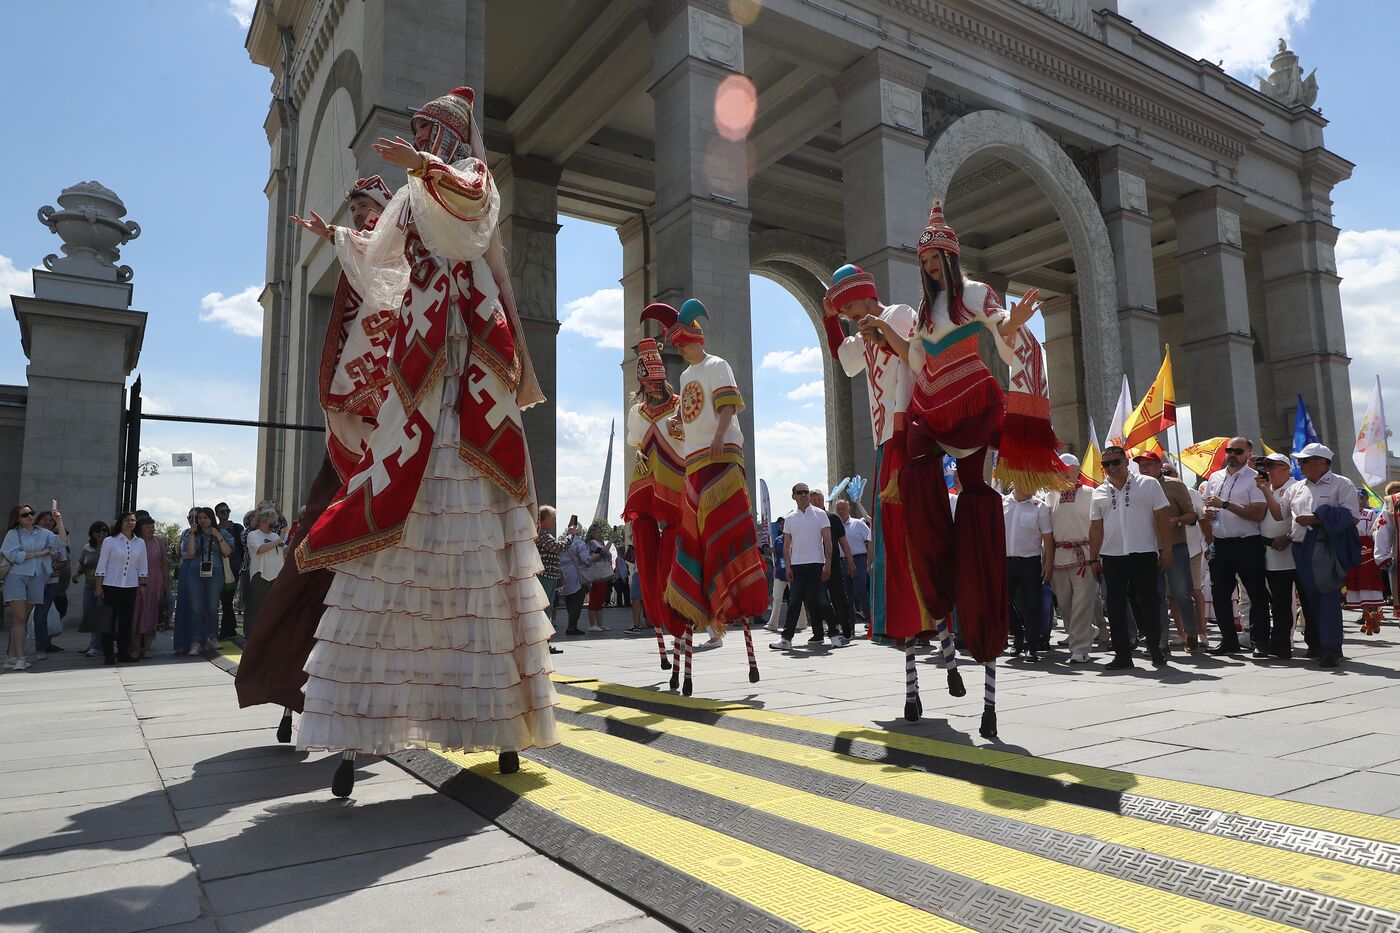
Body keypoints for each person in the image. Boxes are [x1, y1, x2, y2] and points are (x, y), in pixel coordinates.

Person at [290, 85, 558, 788]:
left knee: (474, 526)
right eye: (421, 133)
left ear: (452, 137)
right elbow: (383, 262)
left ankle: (497, 723)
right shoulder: (411, 195)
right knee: (401, 513)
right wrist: (334, 238)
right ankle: (357, 730)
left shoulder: (470, 183)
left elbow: (468, 218)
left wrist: (424, 170)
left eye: (433, 133)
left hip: (470, 361)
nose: (424, 141)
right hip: (418, 368)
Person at [859, 201, 1065, 737]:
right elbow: (915, 357)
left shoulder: (974, 294)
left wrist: (1012, 324)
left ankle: (979, 624)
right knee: (916, 488)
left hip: (972, 409)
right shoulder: (926, 314)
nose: (928, 267)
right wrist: (885, 331)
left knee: (976, 507)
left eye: (934, 258)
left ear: (950, 256)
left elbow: (1000, 326)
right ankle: (938, 586)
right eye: (922, 260)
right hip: (930, 411)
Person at [236, 176, 395, 738]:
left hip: (390, 442)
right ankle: (289, 692)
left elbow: (385, 263)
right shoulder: (361, 273)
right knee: (316, 557)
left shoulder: (396, 266)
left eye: (370, 207)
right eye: (355, 208)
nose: (360, 217)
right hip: (351, 444)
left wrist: (338, 235)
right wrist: (335, 235)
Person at [644, 298, 768, 680]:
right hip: (694, 463)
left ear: (697, 337)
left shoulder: (718, 365)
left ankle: (737, 601)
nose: (679, 350)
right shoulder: (683, 378)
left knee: (725, 537)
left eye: (682, 343)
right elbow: (688, 413)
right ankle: (702, 609)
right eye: (676, 345)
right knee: (696, 542)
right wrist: (679, 428)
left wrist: (716, 436)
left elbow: (728, 407)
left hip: (722, 456)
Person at [819, 265, 919, 648]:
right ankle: (893, 619)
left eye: (847, 309)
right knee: (888, 532)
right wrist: (831, 322)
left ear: (864, 295)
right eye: (843, 314)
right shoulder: (861, 335)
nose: (846, 317)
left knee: (908, 529)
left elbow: (914, 356)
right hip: (884, 439)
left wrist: (877, 329)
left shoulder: (898, 313)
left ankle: (920, 616)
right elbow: (844, 361)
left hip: (907, 428)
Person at [621, 335, 686, 652]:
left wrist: (682, 428)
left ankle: (678, 609)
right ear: (642, 385)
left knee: (678, 536)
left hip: (677, 476)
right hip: (647, 476)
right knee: (644, 535)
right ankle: (656, 611)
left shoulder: (681, 405)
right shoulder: (636, 412)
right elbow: (636, 441)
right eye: (650, 384)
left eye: (659, 382)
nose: (655, 388)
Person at [1089, 446, 1172, 670]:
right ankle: (1122, 655)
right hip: (1112, 555)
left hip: (1143, 551)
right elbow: (1096, 528)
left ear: (1126, 462)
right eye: (1106, 464)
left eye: (1116, 462)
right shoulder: (1098, 492)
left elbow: (1162, 517)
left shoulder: (1148, 484)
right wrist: (1093, 559)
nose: (1111, 468)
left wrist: (1166, 549)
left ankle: (1155, 649)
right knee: (1114, 607)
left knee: (1149, 603)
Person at [1283, 443, 1360, 667]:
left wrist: (1316, 518)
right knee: (1310, 599)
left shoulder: (1342, 484)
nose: (1301, 464)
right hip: (1299, 546)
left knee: (1326, 597)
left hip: (1323, 545)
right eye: (1300, 460)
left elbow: (1351, 518)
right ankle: (1319, 644)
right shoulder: (1297, 487)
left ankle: (1331, 648)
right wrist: (1264, 490)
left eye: (1305, 460)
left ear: (1322, 462)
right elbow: (1280, 513)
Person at [1200, 437, 1270, 655]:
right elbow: (1206, 506)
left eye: (1238, 451)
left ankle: (1259, 642)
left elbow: (1258, 512)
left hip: (1247, 543)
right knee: (1219, 595)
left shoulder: (1255, 479)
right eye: (1229, 450)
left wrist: (1226, 505)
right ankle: (1228, 640)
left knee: (1256, 595)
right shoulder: (1215, 476)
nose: (1232, 454)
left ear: (1248, 454)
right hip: (1220, 544)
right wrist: (1207, 512)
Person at [1133, 450, 1198, 655]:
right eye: (1141, 466)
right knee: (1154, 597)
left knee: (1182, 594)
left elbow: (1192, 515)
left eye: (1148, 465)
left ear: (1159, 465)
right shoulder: (1135, 488)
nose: (1144, 469)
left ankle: (1191, 634)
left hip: (1176, 546)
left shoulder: (1175, 485)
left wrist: (1177, 520)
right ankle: (1161, 641)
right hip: (1148, 549)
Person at [771, 483, 837, 650]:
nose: (804, 495)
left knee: (823, 600)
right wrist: (787, 567)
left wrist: (827, 564)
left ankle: (835, 635)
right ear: (793, 496)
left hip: (817, 564)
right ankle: (786, 639)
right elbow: (787, 546)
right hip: (797, 566)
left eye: (806, 492)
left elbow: (828, 543)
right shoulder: (790, 518)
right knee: (794, 603)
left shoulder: (821, 514)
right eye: (800, 492)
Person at [1047, 454, 1100, 664]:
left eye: (1067, 468)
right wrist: (1047, 560)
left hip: (1084, 556)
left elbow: (1098, 527)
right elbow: (1047, 531)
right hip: (1059, 556)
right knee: (1065, 603)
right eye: (1059, 468)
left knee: (1081, 603)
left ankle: (1079, 648)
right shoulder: (1051, 495)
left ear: (1077, 469)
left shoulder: (1091, 494)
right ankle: (1089, 630)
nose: (1063, 471)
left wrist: (1097, 557)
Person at [3, 504, 66, 670]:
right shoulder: (13, 533)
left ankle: (11, 656)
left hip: (37, 577)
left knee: (21, 620)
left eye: (31, 513)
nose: (30, 516)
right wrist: (40, 553)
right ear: (17, 519)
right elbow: (12, 555)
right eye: (25, 515)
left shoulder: (44, 533)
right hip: (16, 577)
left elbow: (61, 543)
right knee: (20, 618)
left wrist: (59, 521)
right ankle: (21, 658)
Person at [1003, 483, 1053, 661]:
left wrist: (1048, 563)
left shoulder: (1040, 506)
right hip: (1006, 561)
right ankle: (1018, 634)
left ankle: (1030, 646)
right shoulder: (1003, 503)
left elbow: (1048, 537)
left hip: (1030, 562)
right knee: (1003, 603)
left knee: (1032, 604)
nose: (1030, 488)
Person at [177, 508, 233, 656]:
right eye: (199, 518)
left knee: (212, 606)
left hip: (216, 571)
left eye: (205, 517)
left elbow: (227, 552)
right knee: (196, 608)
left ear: (211, 518)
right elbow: (190, 553)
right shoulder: (192, 533)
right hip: (195, 571)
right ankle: (195, 642)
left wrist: (218, 536)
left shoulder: (221, 532)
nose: (202, 520)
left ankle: (212, 638)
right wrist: (192, 535)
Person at [94, 512, 148, 665]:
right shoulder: (110, 541)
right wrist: (99, 586)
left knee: (126, 622)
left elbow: (142, 566)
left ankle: (124, 653)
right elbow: (102, 564)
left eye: (132, 520)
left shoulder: (140, 543)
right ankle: (108, 655)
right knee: (108, 622)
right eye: (127, 520)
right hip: (111, 585)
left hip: (130, 586)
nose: (130, 522)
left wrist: (143, 585)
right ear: (120, 522)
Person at [809, 489, 855, 645]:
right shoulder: (805, 519)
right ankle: (818, 633)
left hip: (833, 564)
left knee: (839, 597)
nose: (816, 502)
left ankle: (846, 628)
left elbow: (843, 541)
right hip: (813, 565)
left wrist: (850, 561)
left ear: (823, 501)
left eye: (819, 500)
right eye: (813, 500)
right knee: (814, 599)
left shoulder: (833, 518)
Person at [29, 510, 70, 659]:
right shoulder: (31, 538)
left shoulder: (57, 539)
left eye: (50, 521)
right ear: (37, 521)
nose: (47, 522)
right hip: (33, 580)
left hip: (51, 581)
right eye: (44, 520)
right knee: (22, 617)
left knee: (41, 614)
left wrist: (51, 567)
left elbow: (63, 561)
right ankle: (15, 649)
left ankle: (41, 648)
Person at [1345, 491, 1387, 631]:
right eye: (1355, 498)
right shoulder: (1346, 514)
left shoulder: (1370, 514)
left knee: (1369, 580)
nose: (1358, 500)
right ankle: (1365, 615)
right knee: (1357, 582)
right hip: (1351, 547)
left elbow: (1375, 531)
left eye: (1360, 498)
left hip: (1366, 548)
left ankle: (1374, 617)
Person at [243, 507, 285, 638]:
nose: (273, 527)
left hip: (276, 576)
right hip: (261, 576)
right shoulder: (253, 535)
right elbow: (261, 549)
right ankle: (252, 637)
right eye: (271, 524)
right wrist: (278, 540)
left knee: (274, 608)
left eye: (275, 524)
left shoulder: (275, 535)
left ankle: (270, 636)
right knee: (257, 608)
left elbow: (283, 552)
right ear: (262, 521)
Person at [131, 516, 167, 659]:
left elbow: (164, 562)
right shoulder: (134, 542)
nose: (151, 529)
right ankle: (134, 647)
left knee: (151, 613)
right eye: (148, 527)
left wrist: (166, 582)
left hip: (155, 579)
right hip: (136, 579)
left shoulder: (159, 542)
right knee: (136, 613)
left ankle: (147, 647)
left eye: (152, 526)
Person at [72, 521, 110, 658]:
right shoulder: (87, 547)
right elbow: (82, 563)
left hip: (104, 586)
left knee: (99, 615)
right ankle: (94, 644)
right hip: (89, 585)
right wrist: (76, 574)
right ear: (92, 533)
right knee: (88, 614)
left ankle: (95, 646)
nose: (101, 533)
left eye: (104, 531)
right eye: (98, 531)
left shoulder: (110, 546)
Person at [834, 499, 871, 624]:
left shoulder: (858, 524)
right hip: (841, 562)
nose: (841, 511)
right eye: (838, 509)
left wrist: (869, 561)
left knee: (859, 590)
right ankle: (850, 625)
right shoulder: (833, 526)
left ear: (849, 509)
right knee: (846, 595)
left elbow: (869, 541)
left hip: (859, 560)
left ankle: (870, 619)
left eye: (843, 509)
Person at [534, 506, 565, 654]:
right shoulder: (543, 534)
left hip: (549, 577)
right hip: (545, 577)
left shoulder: (543, 534)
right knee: (545, 611)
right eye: (553, 519)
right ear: (546, 519)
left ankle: (544, 643)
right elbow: (558, 547)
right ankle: (542, 644)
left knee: (548, 611)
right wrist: (570, 536)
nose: (554, 522)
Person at [214, 503, 245, 641]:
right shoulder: (215, 529)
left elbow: (242, 546)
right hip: (220, 567)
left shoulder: (237, 528)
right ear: (217, 514)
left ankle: (226, 630)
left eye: (227, 510)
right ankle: (229, 628)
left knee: (227, 599)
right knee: (224, 599)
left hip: (234, 567)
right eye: (222, 511)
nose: (225, 513)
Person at [558, 519, 591, 637]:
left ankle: (572, 625)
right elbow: (586, 559)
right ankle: (572, 627)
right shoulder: (579, 543)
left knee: (569, 601)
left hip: (565, 575)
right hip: (577, 575)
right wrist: (596, 557)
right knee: (577, 602)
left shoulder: (562, 541)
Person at [583, 522, 613, 633]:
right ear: (592, 533)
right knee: (595, 598)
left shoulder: (600, 543)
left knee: (600, 599)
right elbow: (604, 552)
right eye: (599, 531)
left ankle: (599, 624)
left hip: (602, 574)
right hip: (597, 573)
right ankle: (593, 624)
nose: (601, 533)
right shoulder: (592, 543)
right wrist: (611, 540)